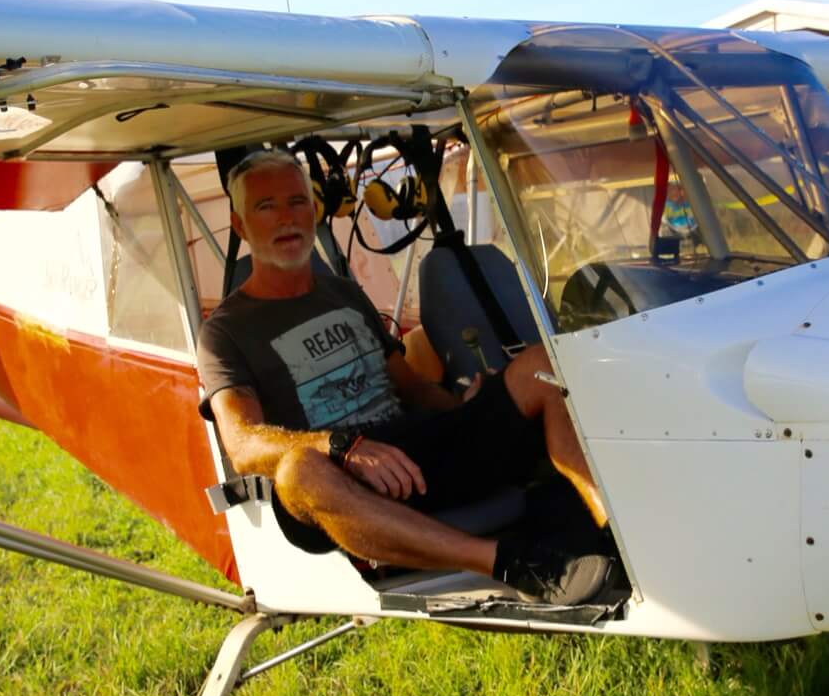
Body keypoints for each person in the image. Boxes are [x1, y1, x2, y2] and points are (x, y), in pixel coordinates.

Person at [197, 147, 616, 603]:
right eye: (266, 207)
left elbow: (409, 384)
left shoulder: (343, 293)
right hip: (340, 480)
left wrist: (463, 407)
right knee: (296, 470)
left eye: (297, 202)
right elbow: (242, 444)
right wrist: (340, 446)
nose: (287, 218)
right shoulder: (225, 330)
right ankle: (510, 563)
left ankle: (614, 528)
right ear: (240, 225)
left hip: (415, 449)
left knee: (539, 366)